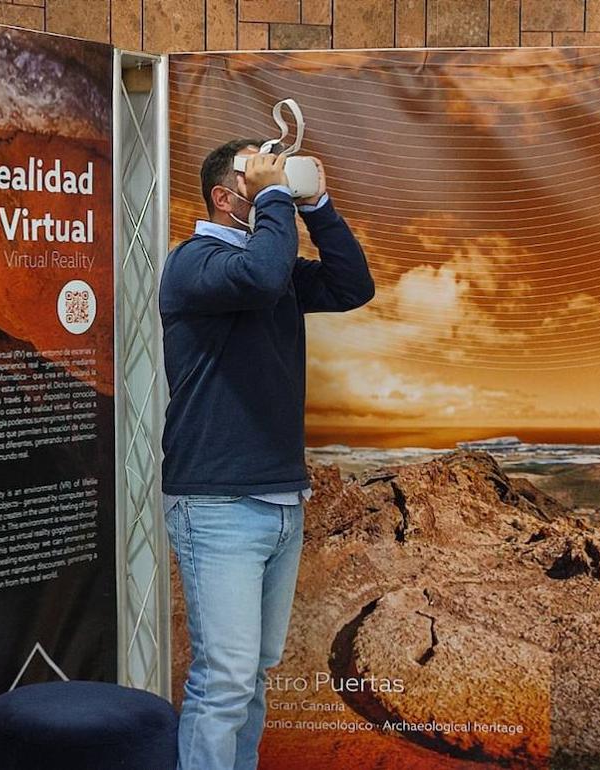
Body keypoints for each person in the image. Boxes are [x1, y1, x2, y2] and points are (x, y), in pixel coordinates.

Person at [159, 142, 374, 769]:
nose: (272, 176)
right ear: (226, 198)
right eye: (256, 172)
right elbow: (260, 277)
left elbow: (351, 284)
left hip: (281, 501)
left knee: (252, 675)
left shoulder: (271, 267)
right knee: (223, 681)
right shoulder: (194, 262)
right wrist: (278, 197)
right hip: (217, 504)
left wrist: (320, 205)